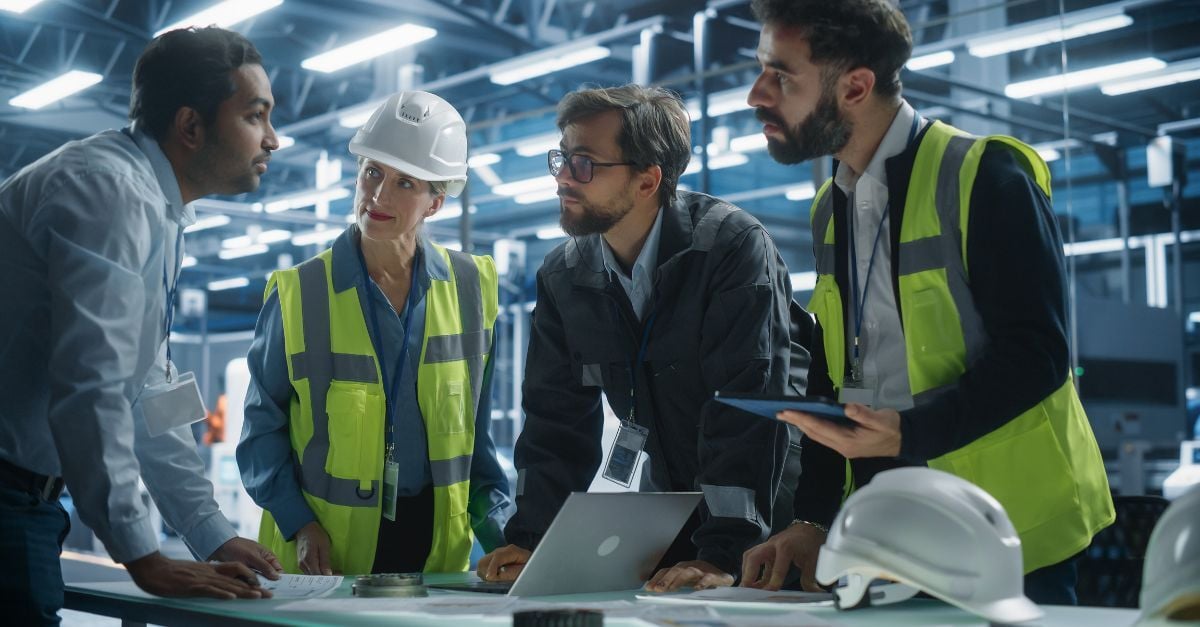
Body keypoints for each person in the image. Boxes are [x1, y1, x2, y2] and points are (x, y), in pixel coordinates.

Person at [737, 0, 1114, 605]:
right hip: (889, 536)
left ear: (856, 85)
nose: (757, 94)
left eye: (781, 74)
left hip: (1006, 534)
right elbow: (839, 384)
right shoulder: (829, 210)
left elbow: (1039, 355)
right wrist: (812, 520)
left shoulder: (986, 176)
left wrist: (909, 433)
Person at [0, 27, 283, 625]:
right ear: (190, 126)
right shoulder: (109, 194)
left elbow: (147, 390)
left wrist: (209, 533)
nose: (274, 140)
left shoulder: (157, 206)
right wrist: (143, 555)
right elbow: (93, 389)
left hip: (28, 499)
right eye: (256, 117)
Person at [477, 84, 803, 592]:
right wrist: (533, 539)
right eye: (561, 158)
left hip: (776, 514)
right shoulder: (566, 275)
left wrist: (722, 554)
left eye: (583, 163)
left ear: (649, 180)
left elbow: (747, 410)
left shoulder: (729, 249)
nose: (563, 177)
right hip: (673, 505)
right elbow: (555, 422)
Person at [238, 90, 513, 576]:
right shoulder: (299, 293)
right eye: (372, 172)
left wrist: (508, 533)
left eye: (406, 182)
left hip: (435, 555)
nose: (380, 196)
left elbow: (476, 441)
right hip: (324, 555)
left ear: (435, 203)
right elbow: (261, 433)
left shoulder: (472, 288)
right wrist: (299, 523)